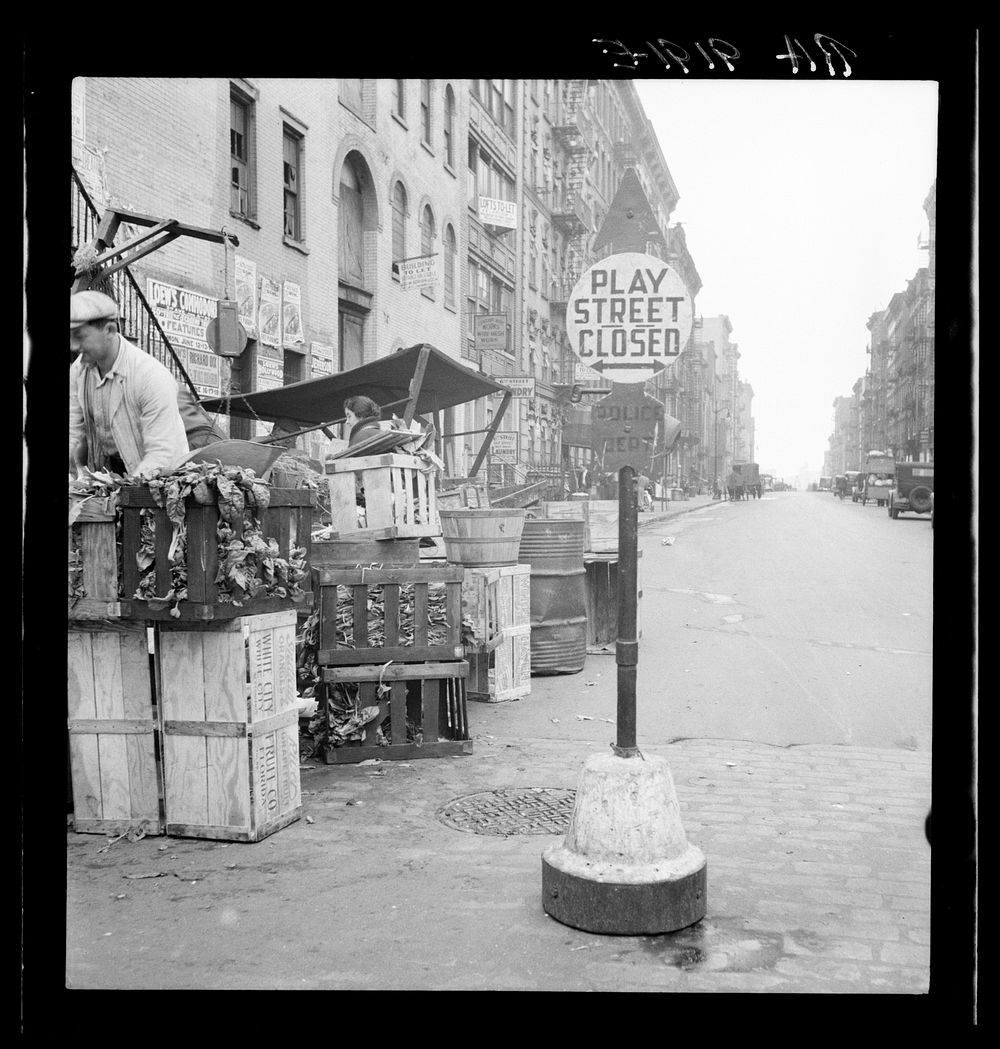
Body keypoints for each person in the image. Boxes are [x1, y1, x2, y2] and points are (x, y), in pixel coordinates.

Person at [70, 290, 188, 478]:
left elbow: (162, 456)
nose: (73, 346)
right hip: (107, 478)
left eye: (80, 336)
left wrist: (125, 493)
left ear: (109, 330)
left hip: (157, 484)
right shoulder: (78, 372)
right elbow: (72, 432)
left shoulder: (151, 377)